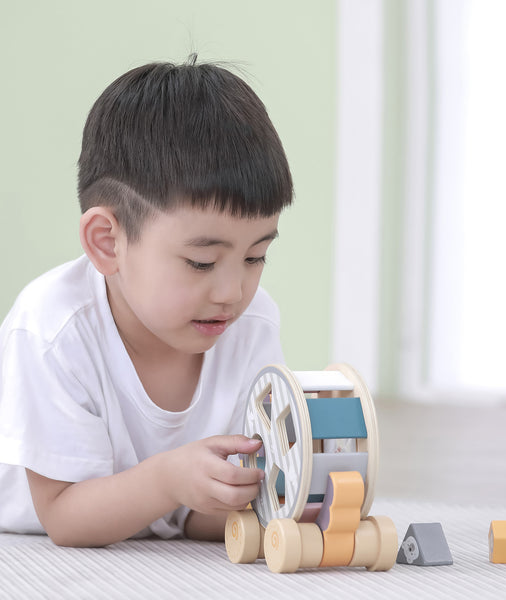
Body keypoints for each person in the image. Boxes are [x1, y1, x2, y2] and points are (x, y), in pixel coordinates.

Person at [0, 56, 293, 547]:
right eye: (201, 262)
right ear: (106, 242)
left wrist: (269, 503)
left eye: (256, 256)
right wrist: (169, 480)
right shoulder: (52, 326)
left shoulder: (254, 323)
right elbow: (65, 519)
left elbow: (190, 514)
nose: (233, 292)